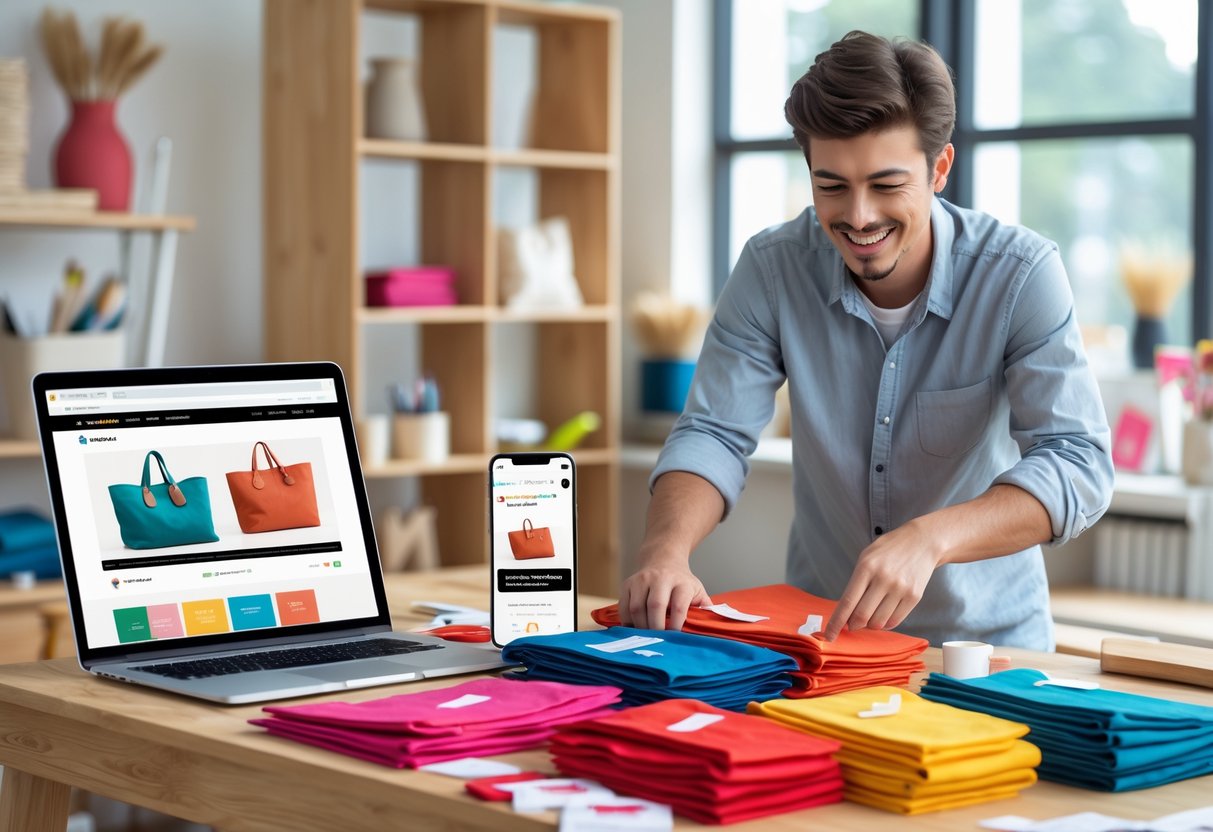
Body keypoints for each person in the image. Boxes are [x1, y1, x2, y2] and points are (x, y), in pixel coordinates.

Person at [619, 31, 1114, 649]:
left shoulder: (1019, 274)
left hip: (986, 651)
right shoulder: (772, 269)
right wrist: (665, 553)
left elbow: (1077, 461)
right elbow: (714, 432)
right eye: (831, 186)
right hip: (824, 644)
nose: (857, 216)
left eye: (885, 185)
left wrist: (930, 538)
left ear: (939, 169)